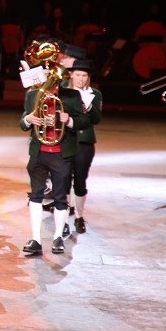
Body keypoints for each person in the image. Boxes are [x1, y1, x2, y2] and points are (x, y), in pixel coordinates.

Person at [20, 59, 89, 256]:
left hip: (61, 154)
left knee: (60, 197)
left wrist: (70, 121)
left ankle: (58, 237)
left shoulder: (72, 96)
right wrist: (28, 119)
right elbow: (22, 121)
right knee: (35, 196)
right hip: (39, 152)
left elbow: (85, 121)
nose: (52, 87)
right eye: (50, 82)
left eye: (56, 83)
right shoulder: (33, 95)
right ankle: (35, 238)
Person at [65, 59, 102, 235]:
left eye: (84, 75)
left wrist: (88, 108)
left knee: (80, 180)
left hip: (84, 142)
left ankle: (79, 216)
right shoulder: (63, 90)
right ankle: (63, 218)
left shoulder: (95, 93)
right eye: (78, 74)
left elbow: (96, 119)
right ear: (71, 74)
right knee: (62, 180)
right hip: (64, 140)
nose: (81, 79)